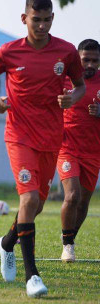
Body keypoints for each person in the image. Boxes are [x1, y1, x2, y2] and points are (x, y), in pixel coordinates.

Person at [0, 0, 85, 298]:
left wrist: (72, 99)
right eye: (35, 19)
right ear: (24, 18)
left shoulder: (66, 52)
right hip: (19, 135)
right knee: (28, 200)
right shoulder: (10, 51)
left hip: (51, 138)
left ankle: (6, 243)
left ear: (52, 19)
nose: (40, 25)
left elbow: (79, 86)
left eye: (46, 19)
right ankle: (32, 276)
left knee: (37, 205)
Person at [56, 38, 100, 262]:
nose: (90, 65)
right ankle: (67, 244)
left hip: (93, 152)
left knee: (83, 202)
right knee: (71, 195)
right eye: (85, 60)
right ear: (77, 59)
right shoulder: (65, 79)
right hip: (66, 147)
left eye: (94, 61)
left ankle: (70, 238)